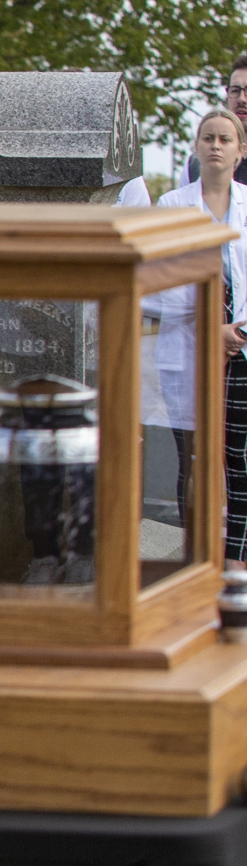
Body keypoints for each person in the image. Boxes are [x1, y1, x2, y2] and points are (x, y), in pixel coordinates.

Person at [149, 110, 247, 562]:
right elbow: (155, 285)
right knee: (195, 460)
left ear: (240, 151)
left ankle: (235, 562)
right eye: (207, 137)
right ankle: (197, 556)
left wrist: (236, 331)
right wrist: (209, 322)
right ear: (195, 147)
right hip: (187, 352)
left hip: (241, 350)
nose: (215, 146)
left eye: (225, 139)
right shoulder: (172, 206)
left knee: (240, 460)